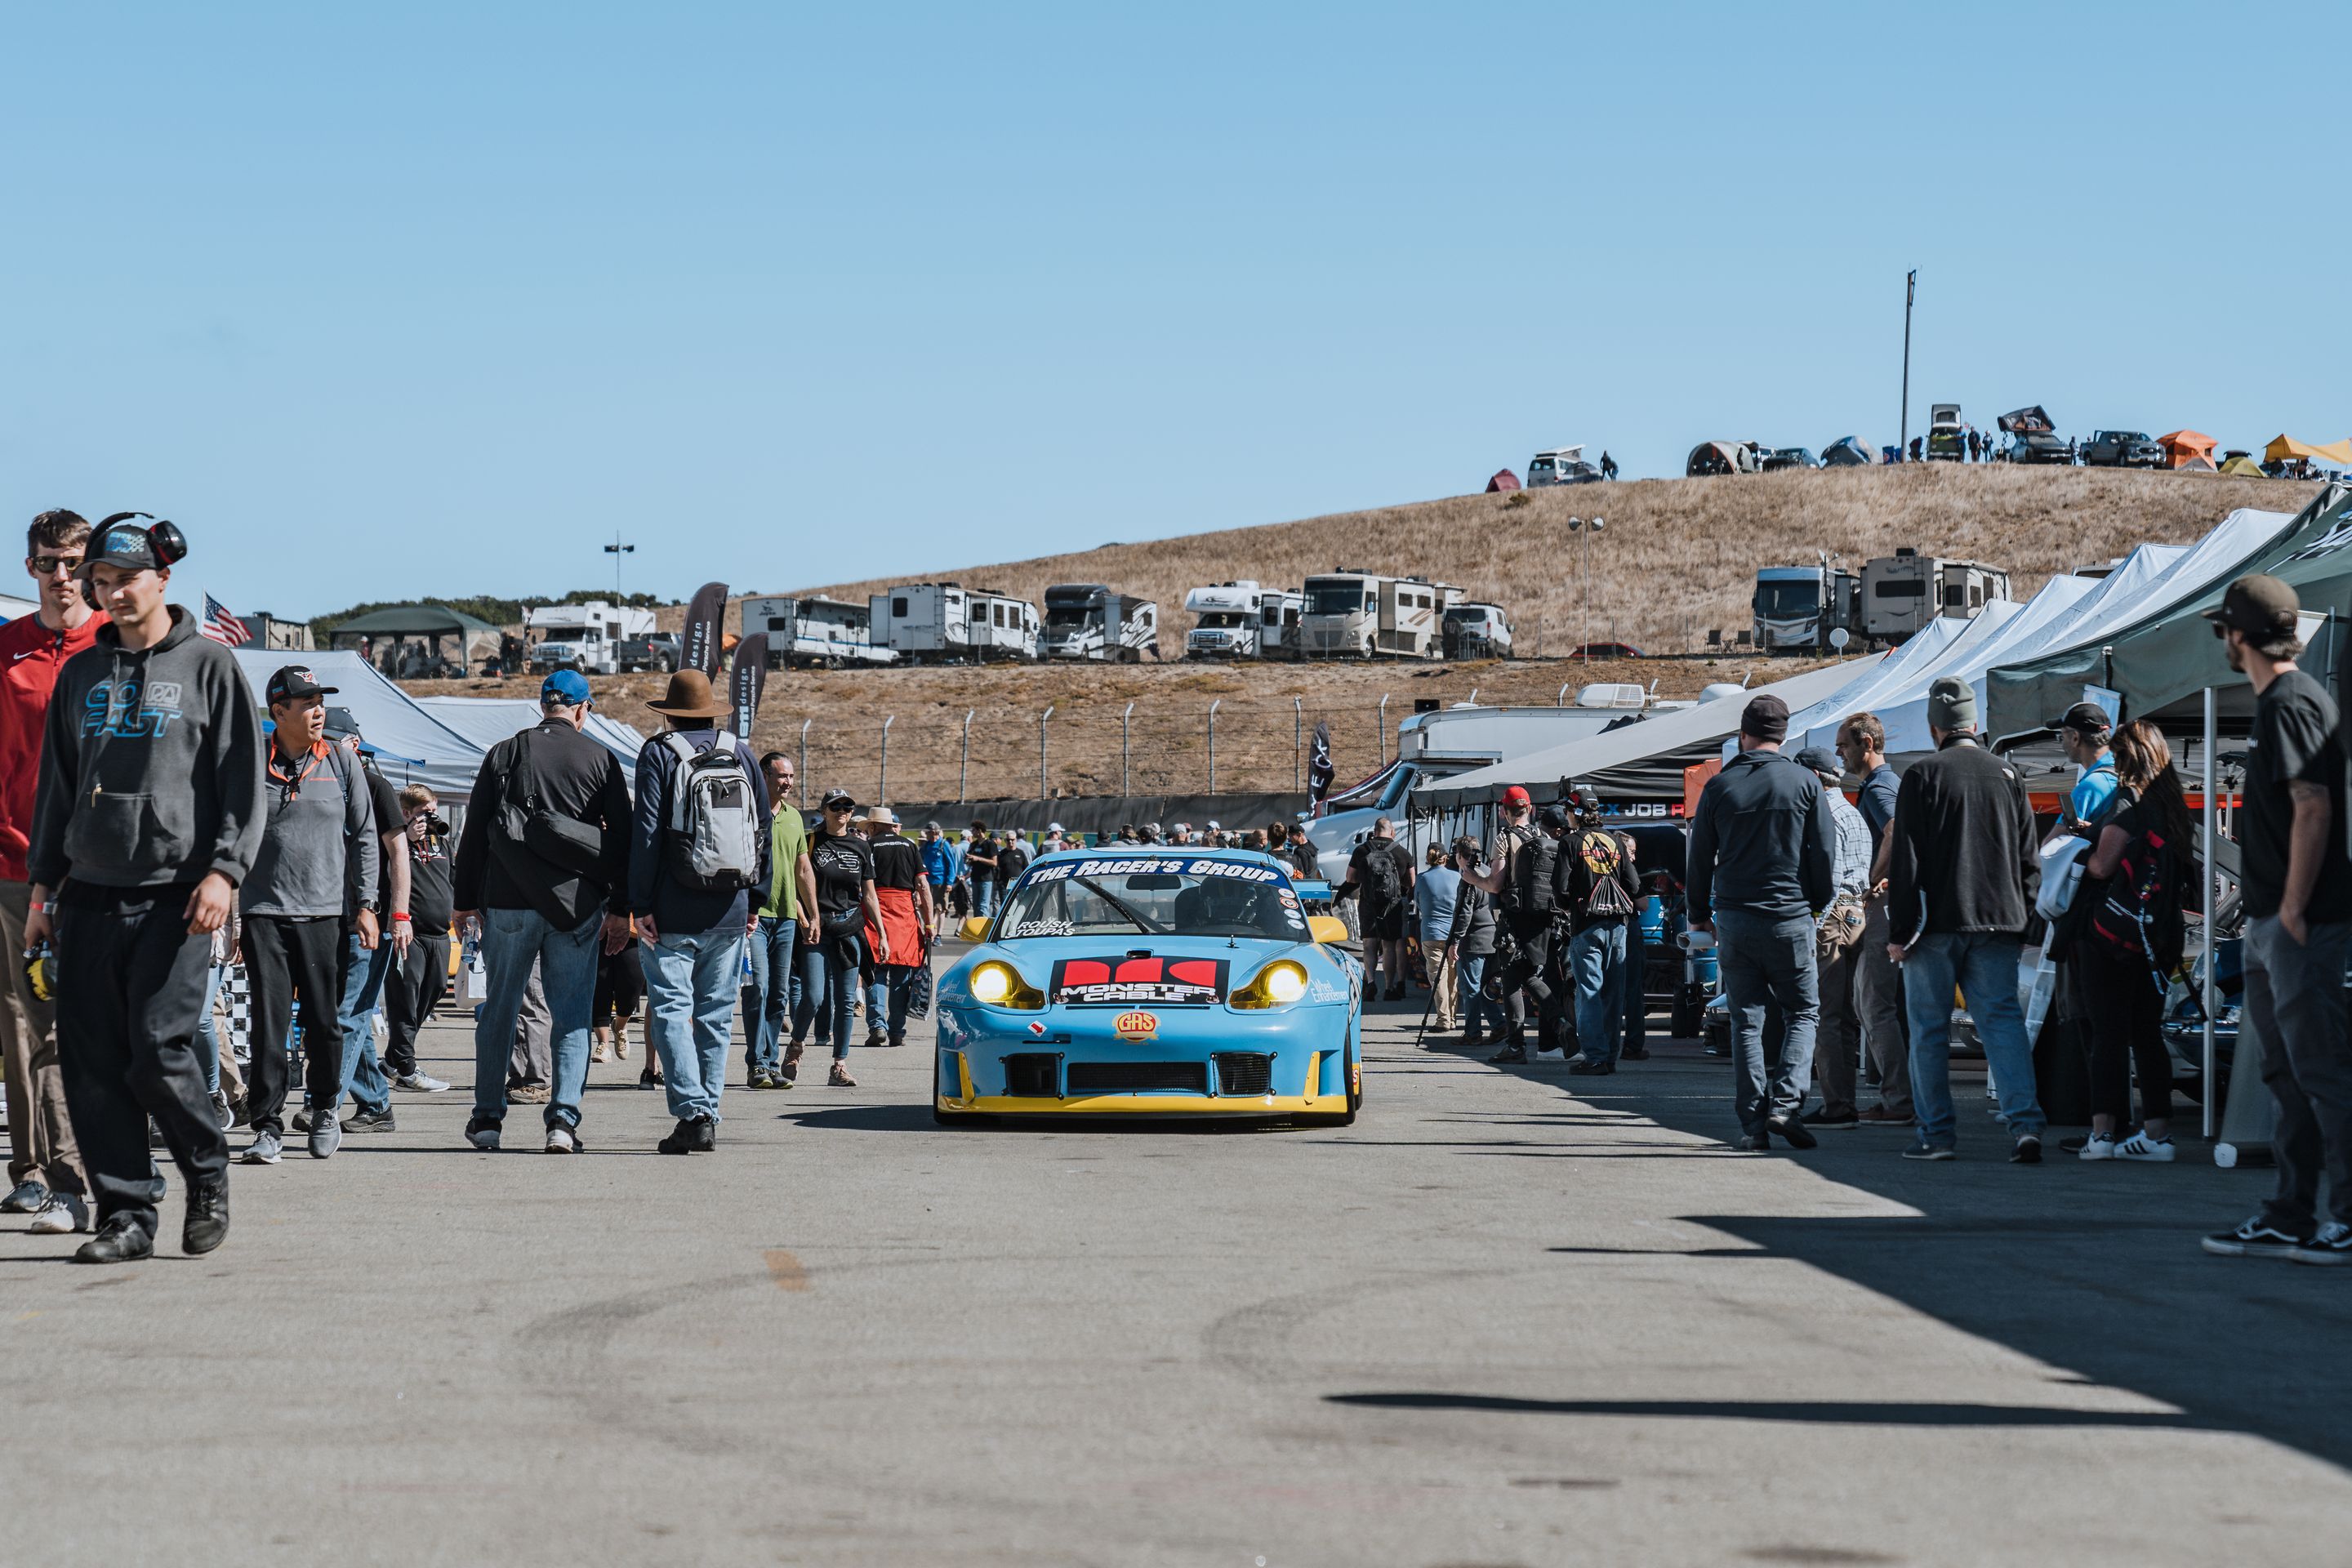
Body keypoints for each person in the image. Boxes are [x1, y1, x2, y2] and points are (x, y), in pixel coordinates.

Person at [25, 514, 262, 1262]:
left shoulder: (210, 668)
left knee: (157, 1049)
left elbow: (239, 782)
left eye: (125, 579)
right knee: (93, 1063)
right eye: (100, 581)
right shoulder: (81, 675)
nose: (111, 593)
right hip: (90, 890)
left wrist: (225, 871)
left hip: (179, 894)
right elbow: (58, 790)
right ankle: (125, 1215)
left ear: (163, 578)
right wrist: (42, 894)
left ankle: (206, 1166)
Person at [2199, 577, 2352, 1263]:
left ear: (2240, 635)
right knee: (2287, 1077)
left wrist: (2291, 907)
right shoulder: (2281, 704)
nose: (2223, 643)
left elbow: (2314, 806)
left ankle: (2346, 1218)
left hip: (2301, 923)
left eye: (2223, 631)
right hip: (2272, 924)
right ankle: (2291, 1213)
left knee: (2320, 1072)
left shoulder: (2291, 702)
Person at [451, 669, 632, 1156]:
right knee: (571, 1015)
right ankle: (562, 1123)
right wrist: (621, 908)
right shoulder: (601, 758)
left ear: (543, 705)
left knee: (500, 1012)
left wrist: (464, 900)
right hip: (577, 906)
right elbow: (623, 841)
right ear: (582, 708)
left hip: (508, 902)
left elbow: (474, 836)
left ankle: (488, 1119)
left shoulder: (505, 753)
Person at [1885, 675, 2046, 1164]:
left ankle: (1936, 1136)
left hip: (1934, 926)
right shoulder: (2008, 775)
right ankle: (2025, 1127)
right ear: (1975, 725)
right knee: (2002, 1025)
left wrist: (1899, 932)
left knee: (1929, 1030)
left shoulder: (1922, 776)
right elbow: (2028, 858)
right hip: (1999, 922)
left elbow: (1905, 862)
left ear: (1935, 727)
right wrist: (2026, 921)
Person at [0, 510, 100, 1235]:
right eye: (45, 563)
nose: (59, 577)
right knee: (24, 1024)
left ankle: (103, 1165)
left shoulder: (119, 646)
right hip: (15, 865)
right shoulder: (8, 651)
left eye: (71, 562)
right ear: (29, 568)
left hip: (105, 870)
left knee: (98, 1025)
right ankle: (37, 1172)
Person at [238, 666, 380, 1165]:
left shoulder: (343, 763)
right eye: (307, 703)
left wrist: (367, 906)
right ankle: (267, 1125)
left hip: (324, 914)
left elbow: (365, 837)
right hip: (263, 913)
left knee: (323, 1023)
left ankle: (323, 1108)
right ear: (279, 712)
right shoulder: (250, 761)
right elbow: (230, 835)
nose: (318, 711)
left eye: (321, 701)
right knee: (269, 1024)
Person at [626, 670, 770, 1155]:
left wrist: (640, 902)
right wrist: (755, 898)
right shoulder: (741, 752)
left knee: (670, 1009)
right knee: (714, 1016)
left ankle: (694, 1112)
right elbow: (762, 830)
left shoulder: (660, 752)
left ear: (669, 712)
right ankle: (707, 1112)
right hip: (730, 906)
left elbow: (646, 830)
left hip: (671, 909)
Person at [1686, 695, 1835, 1152]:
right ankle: (1786, 1106)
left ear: (1743, 735)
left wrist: (1699, 914)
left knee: (1746, 1022)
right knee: (1803, 1012)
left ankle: (1753, 1126)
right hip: (1791, 915)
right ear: (1784, 735)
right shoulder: (1806, 782)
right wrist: (1814, 902)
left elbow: (1699, 860)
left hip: (1735, 918)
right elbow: (1823, 854)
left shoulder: (1719, 787)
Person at [2073, 721, 2194, 1162]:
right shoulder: (2175, 808)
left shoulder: (2128, 803)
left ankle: (2102, 1135)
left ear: (2129, 758)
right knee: (2147, 1034)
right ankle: (2157, 1134)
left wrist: (2077, 845)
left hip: (2112, 934)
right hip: (2159, 935)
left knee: (2107, 1033)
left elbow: (2103, 867)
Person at [318, 710, 410, 1136]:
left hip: (371, 920)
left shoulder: (377, 787)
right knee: (348, 1016)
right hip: (330, 915)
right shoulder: (316, 781)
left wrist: (400, 913)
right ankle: (376, 1104)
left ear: (354, 743)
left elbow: (399, 855)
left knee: (349, 1013)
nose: (330, 749)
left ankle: (324, 1103)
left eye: (336, 741)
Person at [1835, 713, 1912, 1124]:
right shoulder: (1884, 784)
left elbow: (1896, 830)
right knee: (1872, 1005)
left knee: (1873, 1005)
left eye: (1844, 745)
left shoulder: (1880, 787)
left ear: (1866, 743)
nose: (1839, 754)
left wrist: (1870, 881)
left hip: (1882, 909)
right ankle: (1897, 1097)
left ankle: (1899, 1100)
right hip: (1888, 906)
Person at [1795, 747, 1872, 1125]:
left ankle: (1837, 1104)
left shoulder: (1825, 814)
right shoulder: (1852, 811)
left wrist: (1811, 926)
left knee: (1826, 1014)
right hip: (1856, 913)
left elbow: (1831, 878)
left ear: (1811, 777)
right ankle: (1842, 1101)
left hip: (1833, 916)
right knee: (1844, 1016)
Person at [1459, 786, 1558, 1062]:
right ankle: (1560, 1024)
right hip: (1543, 917)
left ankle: (1518, 1046)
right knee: (1531, 974)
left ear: (1504, 812)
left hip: (1513, 917)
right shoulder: (1544, 836)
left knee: (1512, 980)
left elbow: (1494, 883)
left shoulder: (1504, 838)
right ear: (1531, 810)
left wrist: (1472, 879)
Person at [802, 790, 885, 1087]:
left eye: (847, 806)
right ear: (823, 811)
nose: (842, 811)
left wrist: (882, 935)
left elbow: (870, 896)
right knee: (813, 996)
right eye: (835, 806)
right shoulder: (810, 841)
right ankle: (796, 1045)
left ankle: (839, 1064)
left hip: (849, 927)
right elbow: (799, 881)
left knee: (846, 999)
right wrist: (804, 915)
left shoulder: (861, 847)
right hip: (816, 927)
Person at [745, 752, 818, 1089]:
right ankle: (757, 1063)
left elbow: (803, 869)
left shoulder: (793, 818)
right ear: (764, 775)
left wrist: (812, 913)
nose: (788, 782)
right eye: (782, 776)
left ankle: (772, 1062)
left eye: (791, 777)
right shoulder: (747, 810)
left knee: (779, 993)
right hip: (754, 916)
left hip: (787, 916)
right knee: (757, 988)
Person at [1560, 786, 1642, 1076]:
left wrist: (1574, 899)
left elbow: (1560, 889)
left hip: (1586, 924)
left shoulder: (1570, 842)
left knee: (1589, 991)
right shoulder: (1616, 841)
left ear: (1575, 812)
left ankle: (1594, 1056)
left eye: (1569, 811)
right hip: (1618, 924)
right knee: (1613, 993)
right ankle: (1609, 1056)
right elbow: (1633, 886)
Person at [382, 785, 456, 1094]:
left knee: (436, 989)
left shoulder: (442, 842)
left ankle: (391, 1060)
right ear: (407, 813)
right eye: (424, 813)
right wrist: (408, 838)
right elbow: (387, 872)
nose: (430, 818)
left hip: (439, 932)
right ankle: (406, 1068)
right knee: (405, 997)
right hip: (408, 931)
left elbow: (452, 878)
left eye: (433, 811)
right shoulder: (397, 840)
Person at [860, 807, 932, 1049]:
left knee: (876, 973)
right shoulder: (910, 846)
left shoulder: (868, 846)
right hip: (904, 913)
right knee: (902, 975)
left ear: (872, 826)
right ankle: (897, 1030)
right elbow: (922, 885)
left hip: (875, 909)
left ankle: (877, 1026)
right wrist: (929, 922)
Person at [1342, 817, 1415, 1002]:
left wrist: (1367, 879)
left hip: (1368, 903)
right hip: (1392, 905)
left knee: (1369, 945)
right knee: (1389, 945)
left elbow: (1350, 878)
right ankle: (1390, 988)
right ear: (1392, 833)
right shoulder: (1402, 852)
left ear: (1374, 832)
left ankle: (1372, 982)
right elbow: (1412, 882)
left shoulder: (1362, 850)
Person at [1441, 839, 1502, 1046]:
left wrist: (1455, 941)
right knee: (1484, 988)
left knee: (1470, 989)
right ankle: (1498, 1024)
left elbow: (1464, 912)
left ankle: (1473, 1032)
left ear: (1459, 855)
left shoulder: (1468, 876)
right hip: (1493, 936)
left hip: (1474, 940)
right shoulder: (1488, 871)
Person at [1414, 842, 1462, 1034]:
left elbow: (1418, 903)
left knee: (1437, 978)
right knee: (1452, 977)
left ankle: (1443, 1019)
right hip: (1453, 932)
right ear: (1445, 858)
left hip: (1431, 932)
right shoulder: (1457, 877)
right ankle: (1452, 1017)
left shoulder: (1422, 879)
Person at [964, 825, 998, 916]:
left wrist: (978, 858)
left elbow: (994, 862)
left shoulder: (990, 844)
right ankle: (977, 929)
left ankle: (985, 929)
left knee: (983, 906)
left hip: (986, 879)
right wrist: (968, 859)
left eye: (974, 830)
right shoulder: (973, 844)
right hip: (975, 878)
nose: (972, 833)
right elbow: (969, 860)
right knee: (975, 906)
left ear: (979, 831)